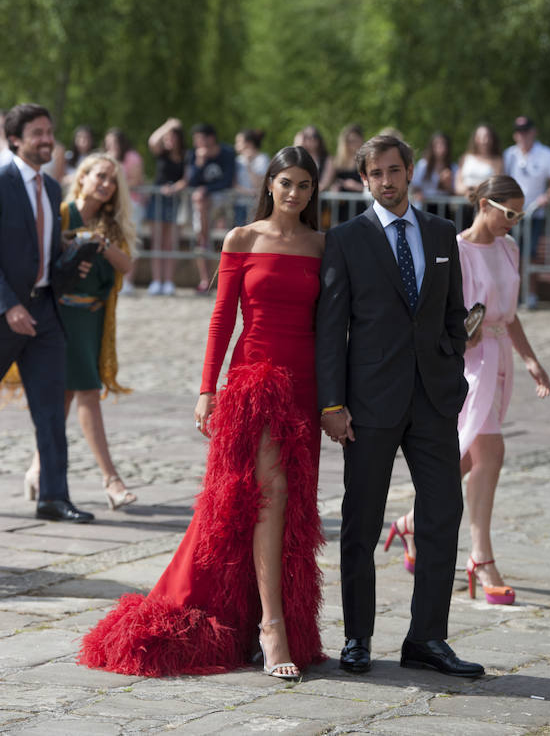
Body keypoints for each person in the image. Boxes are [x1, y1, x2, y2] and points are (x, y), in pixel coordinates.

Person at [79, 145, 325, 679]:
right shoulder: (242, 239)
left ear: (313, 192)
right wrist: (206, 389)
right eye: (286, 182)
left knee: (286, 506)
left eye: (304, 185)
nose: (294, 193)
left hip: (305, 386)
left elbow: (332, 329)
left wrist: (333, 399)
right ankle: (271, 627)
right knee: (270, 492)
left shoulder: (323, 246)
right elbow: (222, 319)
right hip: (255, 382)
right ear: (270, 184)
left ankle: (264, 619)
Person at [316, 132, 484, 679]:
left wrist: (452, 370)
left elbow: (453, 313)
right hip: (367, 403)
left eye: (394, 170)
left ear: (410, 171)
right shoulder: (344, 239)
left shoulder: (440, 232)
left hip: (434, 400)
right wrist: (332, 404)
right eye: (376, 174)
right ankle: (357, 637)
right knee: (360, 522)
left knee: (444, 514)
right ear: (363, 179)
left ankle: (427, 638)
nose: (387, 181)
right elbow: (331, 328)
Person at [388, 176, 550, 604]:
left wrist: (531, 359)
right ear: (484, 204)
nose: (512, 223)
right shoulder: (456, 249)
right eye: (508, 213)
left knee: (463, 459)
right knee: (491, 452)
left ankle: (411, 523)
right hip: (467, 363)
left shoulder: (509, 249)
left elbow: (509, 315)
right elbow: (439, 310)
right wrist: (459, 335)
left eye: (520, 215)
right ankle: (481, 556)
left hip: (498, 360)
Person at [24, 153, 137, 510]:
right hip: (61, 314)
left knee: (67, 397)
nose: (106, 184)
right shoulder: (60, 213)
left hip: (92, 320)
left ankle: (37, 468)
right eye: (99, 176)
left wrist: (101, 243)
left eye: (112, 179)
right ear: (83, 177)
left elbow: (127, 265)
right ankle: (111, 480)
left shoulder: (110, 225)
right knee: (86, 392)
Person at [0, 103, 94, 523]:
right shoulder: (1, 181)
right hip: (5, 312)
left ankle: (54, 497)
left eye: (49, 131)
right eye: (37, 132)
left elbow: (44, 254)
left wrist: (72, 263)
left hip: (45, 313)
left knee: (52, 410)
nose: (46, 139)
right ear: (15, 138)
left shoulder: (54, 189)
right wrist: (8, 305)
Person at [503, 116, 550, 309]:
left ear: (533, 132)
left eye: (526, 131)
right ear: (515, 135)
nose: (523, 135)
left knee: (531, 253)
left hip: (535, 212)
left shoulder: (546, 154)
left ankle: (531, 293)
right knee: (510, 252)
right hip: (511, 214)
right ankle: (513, 294)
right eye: (519, 132)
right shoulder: (509, 154)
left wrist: (547, 196)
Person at [186, 124, 236, 294]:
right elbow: (191, 182)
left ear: (210, 138)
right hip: (201, 203)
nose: (196, 143)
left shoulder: (227, 153)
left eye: (199, 139)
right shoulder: (194, 155)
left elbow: (227, 180)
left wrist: (207, 190)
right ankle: (205, 280)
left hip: (224, 201)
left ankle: (229, 282)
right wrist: (199, 164)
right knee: (201, 239)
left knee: (231, 241)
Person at [146, 118, 186, 296]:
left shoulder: (186, 156)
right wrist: (169, 124)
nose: (168, 140)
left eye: (172, 137)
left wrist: (174, 188)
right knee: (156, 242)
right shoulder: (161, 154)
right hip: (158, 199)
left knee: (169, 243)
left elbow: (187, 178)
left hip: (174, 201)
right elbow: (153, 141)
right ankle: (156, 280)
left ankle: (168, 281)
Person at [104, 127, 145, 295]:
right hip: (111, 205)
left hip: (131, 204)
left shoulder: (132, 157)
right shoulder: (106, 157)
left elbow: (136, 180)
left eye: (113, 142)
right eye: (108, 142)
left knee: (130, 241)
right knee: (112, 241)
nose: (110, 145)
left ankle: (128, 280)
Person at [455, 124, 503, 230]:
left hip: (487, 208)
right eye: (481, 137)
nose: (484, 140)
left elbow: (497, 185)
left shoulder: (497, 161)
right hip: (465, 207)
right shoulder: (465, 158)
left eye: (487, 136)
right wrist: (468, 191)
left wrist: (475, 190)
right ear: (475, 139)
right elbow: (458, 185)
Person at [411, 131, 457, 217]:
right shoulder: (423, 165)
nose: (440, 147)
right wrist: (418, 193)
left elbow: (455, 190)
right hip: (426, 206)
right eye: (437, 144)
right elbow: (415, 184)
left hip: (444, 207)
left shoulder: (452, 167)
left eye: (443, 144)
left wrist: (446, 185)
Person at [330, 124, 366, 222]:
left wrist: (357, 186)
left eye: (355, 140)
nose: (352, 144)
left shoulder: (365, 161)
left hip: (360, 208)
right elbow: (331, 182)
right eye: (349, 141)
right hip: (341, 208)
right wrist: (334, 187)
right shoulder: (338, 162)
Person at [233, 128, 270, 226]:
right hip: (240, 204)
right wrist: (248, 192)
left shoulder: (262, 159)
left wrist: (249, 164)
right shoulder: (238, 160)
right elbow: (234, 183)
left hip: (256, 205)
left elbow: (259, 183)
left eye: (239, 141)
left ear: (248, 143)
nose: (236, 145)